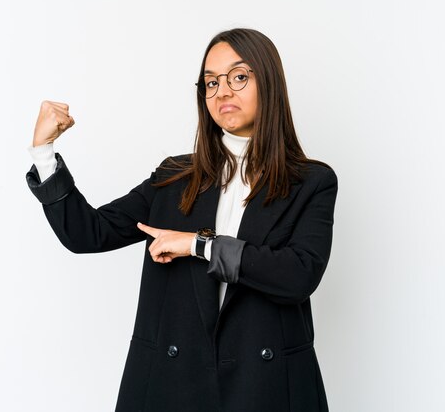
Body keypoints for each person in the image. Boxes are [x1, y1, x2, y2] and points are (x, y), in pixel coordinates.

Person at [26, 28, 337, 412]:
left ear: (269, 83)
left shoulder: (311, 182)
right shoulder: (174, 177)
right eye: (211, 82)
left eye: (239, 77)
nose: (222, 92)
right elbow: (87, 233)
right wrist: (44, 153)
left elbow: (298, 275)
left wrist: (197, 244)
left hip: (267, 388)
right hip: (173, 385)